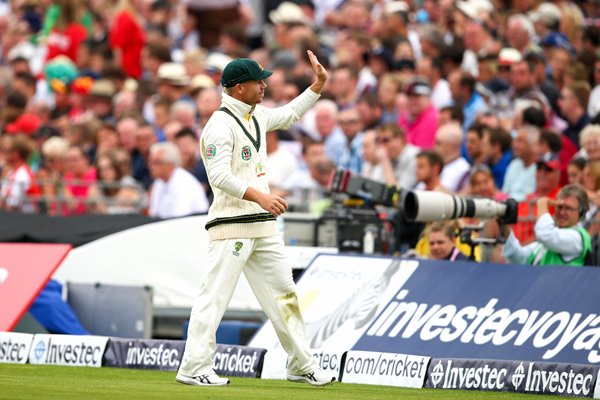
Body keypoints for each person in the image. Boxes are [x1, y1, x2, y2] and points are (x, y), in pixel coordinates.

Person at [177, 51, 335, 387]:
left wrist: (317, 86)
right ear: (237, 89)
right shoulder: (218, 126)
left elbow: (290, 114)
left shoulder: (255, 116)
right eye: (256, 82)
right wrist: (261, 195)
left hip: (262, 225)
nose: (263, 86)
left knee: (285, 294)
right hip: (231, 223)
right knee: (214, 296)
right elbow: (218, 176)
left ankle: (300, 364)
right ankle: (193, 366)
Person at [500, 184, 591, 266]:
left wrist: (543, 204)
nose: (562, 212)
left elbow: (544, 235)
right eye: (559, 207)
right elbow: (519, 258)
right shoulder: (552, 237)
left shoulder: (577, 238)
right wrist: (505, 227)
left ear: (581, 212)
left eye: (568, 208)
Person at [147, 142, 208, 219]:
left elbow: (179, 218)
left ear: (169, 164)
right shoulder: (159, 182)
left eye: (156, 162)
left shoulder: (184, 183)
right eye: (150, 162)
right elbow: (153, 213)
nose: (151, 166)